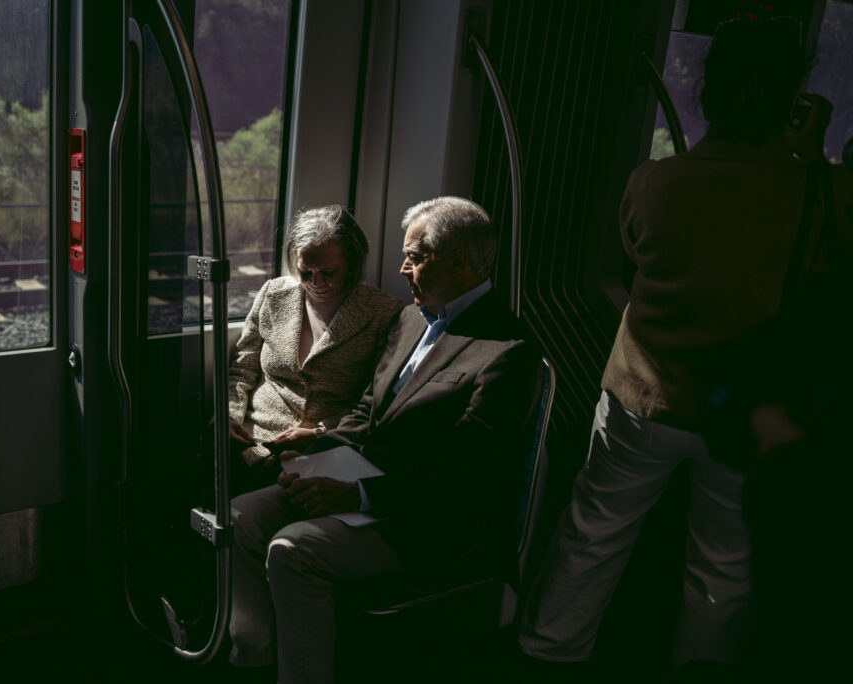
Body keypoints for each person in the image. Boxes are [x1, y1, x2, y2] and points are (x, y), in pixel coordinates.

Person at [517, 17, 853, 675]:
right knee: (724, 563)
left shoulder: (655, 181)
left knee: (594, 530)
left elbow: (636, 248)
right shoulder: (821, 191)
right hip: (745, 412)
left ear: (707, 97)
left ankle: (547, 648)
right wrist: (807, 155)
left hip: (645, 395)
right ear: (793, 99)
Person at [228, 196, 543, 682]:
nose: (401, 269)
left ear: (457, 262)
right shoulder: (413, 320)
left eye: (415, 257)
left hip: (425, 518)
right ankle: (257, 661)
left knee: (292, 551)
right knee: (242, 516)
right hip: (364, 480)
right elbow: (367, 412)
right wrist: (315, 448)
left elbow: (465, 473)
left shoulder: (507, 351)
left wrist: (356, 493)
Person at [226, 205, 403, 491]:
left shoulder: (384, 313)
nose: (316, 283)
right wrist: (229, 417)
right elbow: (243, 366)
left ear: (352, 262)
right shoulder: (274, 293)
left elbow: (376, 402)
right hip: (251, 442)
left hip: (325, 453)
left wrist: (320, 431)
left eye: (329, 272)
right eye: (305, 271)